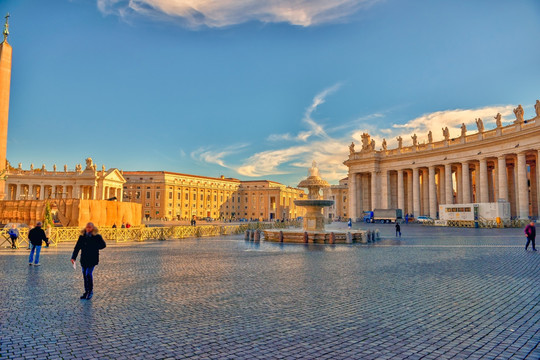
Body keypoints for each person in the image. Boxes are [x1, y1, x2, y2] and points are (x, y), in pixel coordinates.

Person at [71, 222, 106, 300]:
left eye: (90, 227)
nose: (88, 229)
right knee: (84, 274)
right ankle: (86, 291)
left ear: (93, 228)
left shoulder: (97, 236)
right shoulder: (82, 237)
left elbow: (103, 245)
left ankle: (90, 291)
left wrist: (96, 247)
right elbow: (77, 248)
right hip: (84, 258)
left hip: (92, 258)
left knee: (88, 274)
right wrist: (73, 257)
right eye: (87, 227)